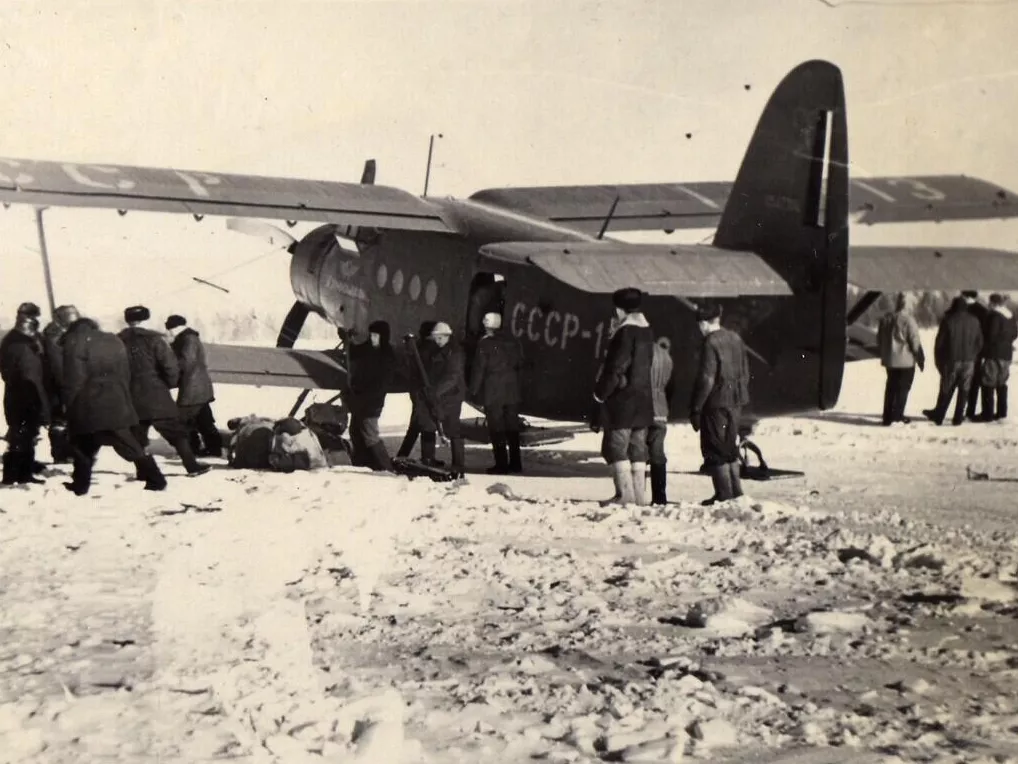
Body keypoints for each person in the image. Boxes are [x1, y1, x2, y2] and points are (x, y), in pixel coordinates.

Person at [61, 317, 167, 494]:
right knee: (89, 443)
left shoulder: (75, 343)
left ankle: (156, 479)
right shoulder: (113, 340)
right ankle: (80, 484)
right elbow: (125, 372)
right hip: (117, 399)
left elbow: (74, 379)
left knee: (105, 443)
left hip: (89, 402)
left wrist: (69, 405)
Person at [117, 305, 209, 477]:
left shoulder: (117, 341)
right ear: (146, 320)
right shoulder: (155, 339)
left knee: (137, 435)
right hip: (156, 394)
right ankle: (192, 466)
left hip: (129, 396)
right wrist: (168, 383)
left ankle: (143, 471)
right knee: (176, 432)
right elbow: (170, 366)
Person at [592, 287, 654, 507]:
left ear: (619, 310)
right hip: (644, 400)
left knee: (616, 447)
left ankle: (624, 495)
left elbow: (616, 368)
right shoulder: (647, 331)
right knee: (638, 448)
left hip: (623, 401)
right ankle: (639, 496)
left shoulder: (625, 332)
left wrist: (600, 393)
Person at [689, 303, 751, 506]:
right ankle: (736, 492)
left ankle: (723, 494)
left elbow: (707, 378)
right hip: (736, 401)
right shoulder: (735, 338)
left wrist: (697, 407)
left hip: (716, 402)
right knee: (729, 446)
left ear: (705, 323)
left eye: (700, 324)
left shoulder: (710, 342)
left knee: (715, 448)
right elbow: (745, 371)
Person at [468, 311, 524, 474]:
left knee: (497, 428)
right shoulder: (514, 342)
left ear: (487, 326)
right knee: (512, 427)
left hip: (494, 391)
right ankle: (516, 463)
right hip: (512, 391)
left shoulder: (485, 343)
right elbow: (521, 364)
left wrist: (473, 390)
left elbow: (479, 369)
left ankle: (501, 464)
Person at [1, 311, 49, 485]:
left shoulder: (11, 342)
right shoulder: (23, 347)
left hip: (16, 394)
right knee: (23, 437)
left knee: (21, 436)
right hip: (26, 395)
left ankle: (18, 473)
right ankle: (17, 474)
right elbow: (31, 375)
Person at [165, 315, 223, 457]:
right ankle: (213, 448)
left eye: (170, 329)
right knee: (203, 420)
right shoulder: (188, 338)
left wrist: (170, 371)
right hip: (197, 387)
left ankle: (193, 449)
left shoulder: (188, 339)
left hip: (193, 388)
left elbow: (186, 362)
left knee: (182, 421)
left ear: (177, 328)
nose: (169, 332)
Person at [923, 296, 983, 426]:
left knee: (946, 387)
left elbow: (939, 344)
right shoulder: (975, 321)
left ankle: (939, 415)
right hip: (969, 360)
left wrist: (939, 361)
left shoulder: (948, 321)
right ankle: (958, 417)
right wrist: (973, 355)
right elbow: (979, 342)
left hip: (951, 360)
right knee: (964, 389)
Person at [419, 321, 467, 478]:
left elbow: (452, 377)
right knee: (428, 425)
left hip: (452, 396)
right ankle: (428, 459)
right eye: (435, 338)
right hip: (439, 395)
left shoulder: (455, 353)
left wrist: (436, 391)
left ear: (447, 337)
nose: (437, 341)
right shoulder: (438, 350)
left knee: (453, 429)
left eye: (439, 338)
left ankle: (458, 466)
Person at [347, 319, 397, 471]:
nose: (372, 338)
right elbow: (355, 351)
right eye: (371, 335)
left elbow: (380, 385)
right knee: (355, 431)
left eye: (376, 336)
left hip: (372, 402)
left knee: (370, 435)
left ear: (383, 337)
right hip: (360, 399)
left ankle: (386, 467)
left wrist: (364, 393)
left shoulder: (387, 356)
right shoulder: (370, 349)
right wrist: (347, 338)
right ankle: (361, 462)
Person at [876, 292, 925, 426]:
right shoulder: (909, 320)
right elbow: (915, 342)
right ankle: (897, 415)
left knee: (891, 387)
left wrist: (885, 353)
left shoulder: (886, 319)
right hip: (906, 361)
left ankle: (887, 416)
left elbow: (879, 339)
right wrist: (920, 358)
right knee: (903, 388)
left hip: (890, 360)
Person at [40, 304, 80, 463]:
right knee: (60, 420)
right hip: (59, 386)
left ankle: (65, 452)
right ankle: (61, 454)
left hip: (60, 384)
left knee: (64, 420)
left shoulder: (56, 335)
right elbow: (58, 366)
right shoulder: (54, 338)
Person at [396, 321, 438, 462]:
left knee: (417, 423)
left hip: (417, 390)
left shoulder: (417, 346)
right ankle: (427, 457)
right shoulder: (430, 349)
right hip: (424, 391)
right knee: (427, 423)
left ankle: (404, 455)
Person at [978, 293, 1017, 421]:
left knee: (988, 381)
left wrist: (984, 348)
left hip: (993, 353)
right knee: (1001, 382)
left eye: (990, 302)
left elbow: (991, 335)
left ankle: (987, 413)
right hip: (1006, 353)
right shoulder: (1010, 316)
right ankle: (1001, 412)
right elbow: (1015, 334)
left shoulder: (995, 316)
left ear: (993, 303)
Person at [648, 336, 675, 505]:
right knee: (658, 453)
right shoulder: (667, 358)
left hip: (644, 407)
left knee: (636, 451)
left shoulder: (642, 354)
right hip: (661, 408)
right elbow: (671, 387)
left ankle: (633, 494)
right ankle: (660, 497)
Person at [961, 290, 991, 421]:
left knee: (960, 381)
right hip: (978, 351)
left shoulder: (961, 309)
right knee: (974, 382)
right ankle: (970, 410)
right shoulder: (983, 311)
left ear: (965, 296)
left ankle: (961, 410)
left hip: (962, 350)